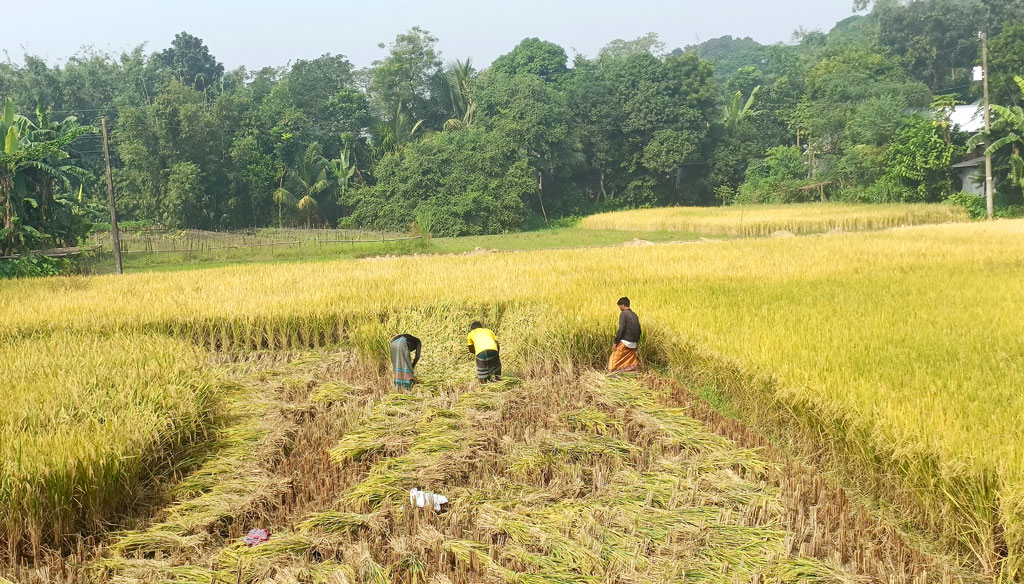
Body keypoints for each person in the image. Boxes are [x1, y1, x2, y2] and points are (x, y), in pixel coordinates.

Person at [608, 297, 641, 375]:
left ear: (623, 305)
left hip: (625, 342)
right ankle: (630, 373)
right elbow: (639, 330)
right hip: (634, 343)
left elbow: (621, 329)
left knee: (614, 358)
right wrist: (636, 341)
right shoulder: (634, 315)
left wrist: (615, 342)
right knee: (630, 360)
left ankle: (611, 374)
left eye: (620, 306)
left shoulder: (624, 314)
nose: (619, 308)